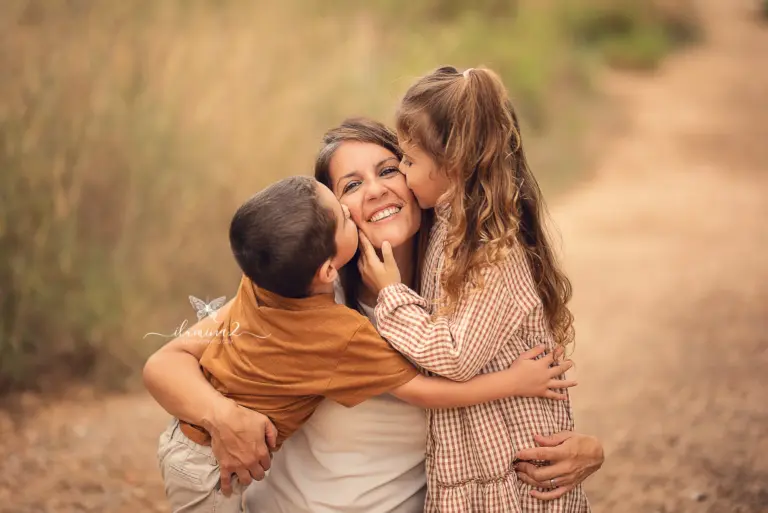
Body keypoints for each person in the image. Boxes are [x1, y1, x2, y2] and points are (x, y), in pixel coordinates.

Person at [143, 118, 604, 513]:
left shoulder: (471, 298)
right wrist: (222, 417)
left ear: (417, 178)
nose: (377, 189)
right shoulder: (302, 299)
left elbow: (522, 403)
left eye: (388, 170)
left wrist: (589, 450)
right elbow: (165, 363)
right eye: (351, 185)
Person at [357, 66, 590, 512]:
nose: (402, 173)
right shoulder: (448, 227)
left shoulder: (491, 250)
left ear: (452, 165)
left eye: (408, 161)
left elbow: (455, 356)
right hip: (473, 462)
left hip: (514, 470)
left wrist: (391, 296)